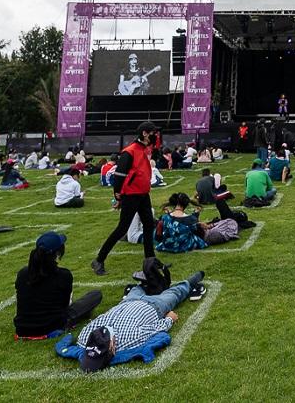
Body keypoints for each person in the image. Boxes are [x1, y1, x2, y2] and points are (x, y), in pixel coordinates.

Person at [75, 269, 207, 373]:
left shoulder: (129, 339)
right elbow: (156, 329)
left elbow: (157, 329)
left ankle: (152, 281)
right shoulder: (84, 335)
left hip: (151, 305)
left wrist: (169, 319)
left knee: (174, 293)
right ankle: (192, 278)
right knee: (172, 292)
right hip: (132, 302)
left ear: (111, 346)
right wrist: (169, 319)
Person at [92, 122, 159, 275]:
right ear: (144, 134)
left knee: (149, 225)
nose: (155, 136)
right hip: (131, 195)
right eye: (153, 133)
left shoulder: (143, 149)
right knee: (122, 228)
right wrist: (117, 195)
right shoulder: (129, 151)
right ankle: (99, 260)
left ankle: (151, 260)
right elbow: (119, 174)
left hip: (143, 194)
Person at [14, 231, 103, 338]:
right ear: (57, 253)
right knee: (95, 295)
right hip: (52, 325)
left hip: (23, 328)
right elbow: (64, 306)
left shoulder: (23, 273)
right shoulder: (63, 275)